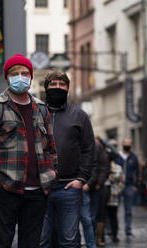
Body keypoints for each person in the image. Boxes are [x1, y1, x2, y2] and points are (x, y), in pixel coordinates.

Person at [0, 54, 57, 247]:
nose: (20, 77)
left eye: (25, 73)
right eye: (14, 73)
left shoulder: (41, 109)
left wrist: (51, 173)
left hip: (37, 190)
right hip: (6, 188)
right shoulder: (0, 107)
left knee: (32, 243)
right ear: (7, 77)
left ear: (31, 77)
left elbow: (51, 147)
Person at [40, 71, 95, 247]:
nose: (57, 88)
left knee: (69, 241)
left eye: (62, 85)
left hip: (69, 187)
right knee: (41, 240)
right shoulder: (37, 113)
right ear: (46, 88)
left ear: (68, 88)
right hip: (40, 188)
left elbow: (88, 149)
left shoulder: (79, 115)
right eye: (53, 84)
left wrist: (81, 179)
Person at [80, 137, 109, 248]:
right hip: (87, 184)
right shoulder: (84, 144)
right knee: (90, 216)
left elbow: (100, 167)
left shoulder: (96, 146)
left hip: (94, 186)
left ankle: (95, 240)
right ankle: (92, 240)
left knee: (93, 216)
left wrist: (98, 183)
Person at [114, 138, 139, 237]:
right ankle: (114, 229)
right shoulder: (117, 156)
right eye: (126, 144)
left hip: (129, 185)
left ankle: (128, 229)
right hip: (117, 185)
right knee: (114, 207)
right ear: (122, 144)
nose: (127, 145)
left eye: (129, 144)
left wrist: (135, 185)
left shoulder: (133, 157)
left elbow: (137, 172)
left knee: (128, 209)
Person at [105, 159, 124, 243]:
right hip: (108, 194)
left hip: (112, 195)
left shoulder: (117, 168)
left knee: (112, 215)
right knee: (110, 215)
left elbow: (121, 181)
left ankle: (113, 234)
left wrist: (118, 190)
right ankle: (111, 234)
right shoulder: (105, 166)